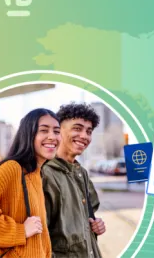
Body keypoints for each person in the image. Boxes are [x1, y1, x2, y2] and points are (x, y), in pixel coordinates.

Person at [0, 108, 59, 257]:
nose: (52, 137)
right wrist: (20, 231)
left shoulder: (36, 174)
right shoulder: (13, 168)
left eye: (56, 131)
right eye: (44, 130)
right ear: (29, 134)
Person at [42, 103, 105, 258]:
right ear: (58, 131)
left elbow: (86, 216)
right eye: (77, 128)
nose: (84, 136)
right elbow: (40, 236)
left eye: (89, 131)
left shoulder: (81, 173)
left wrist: (95, 224)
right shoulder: (45, 173)